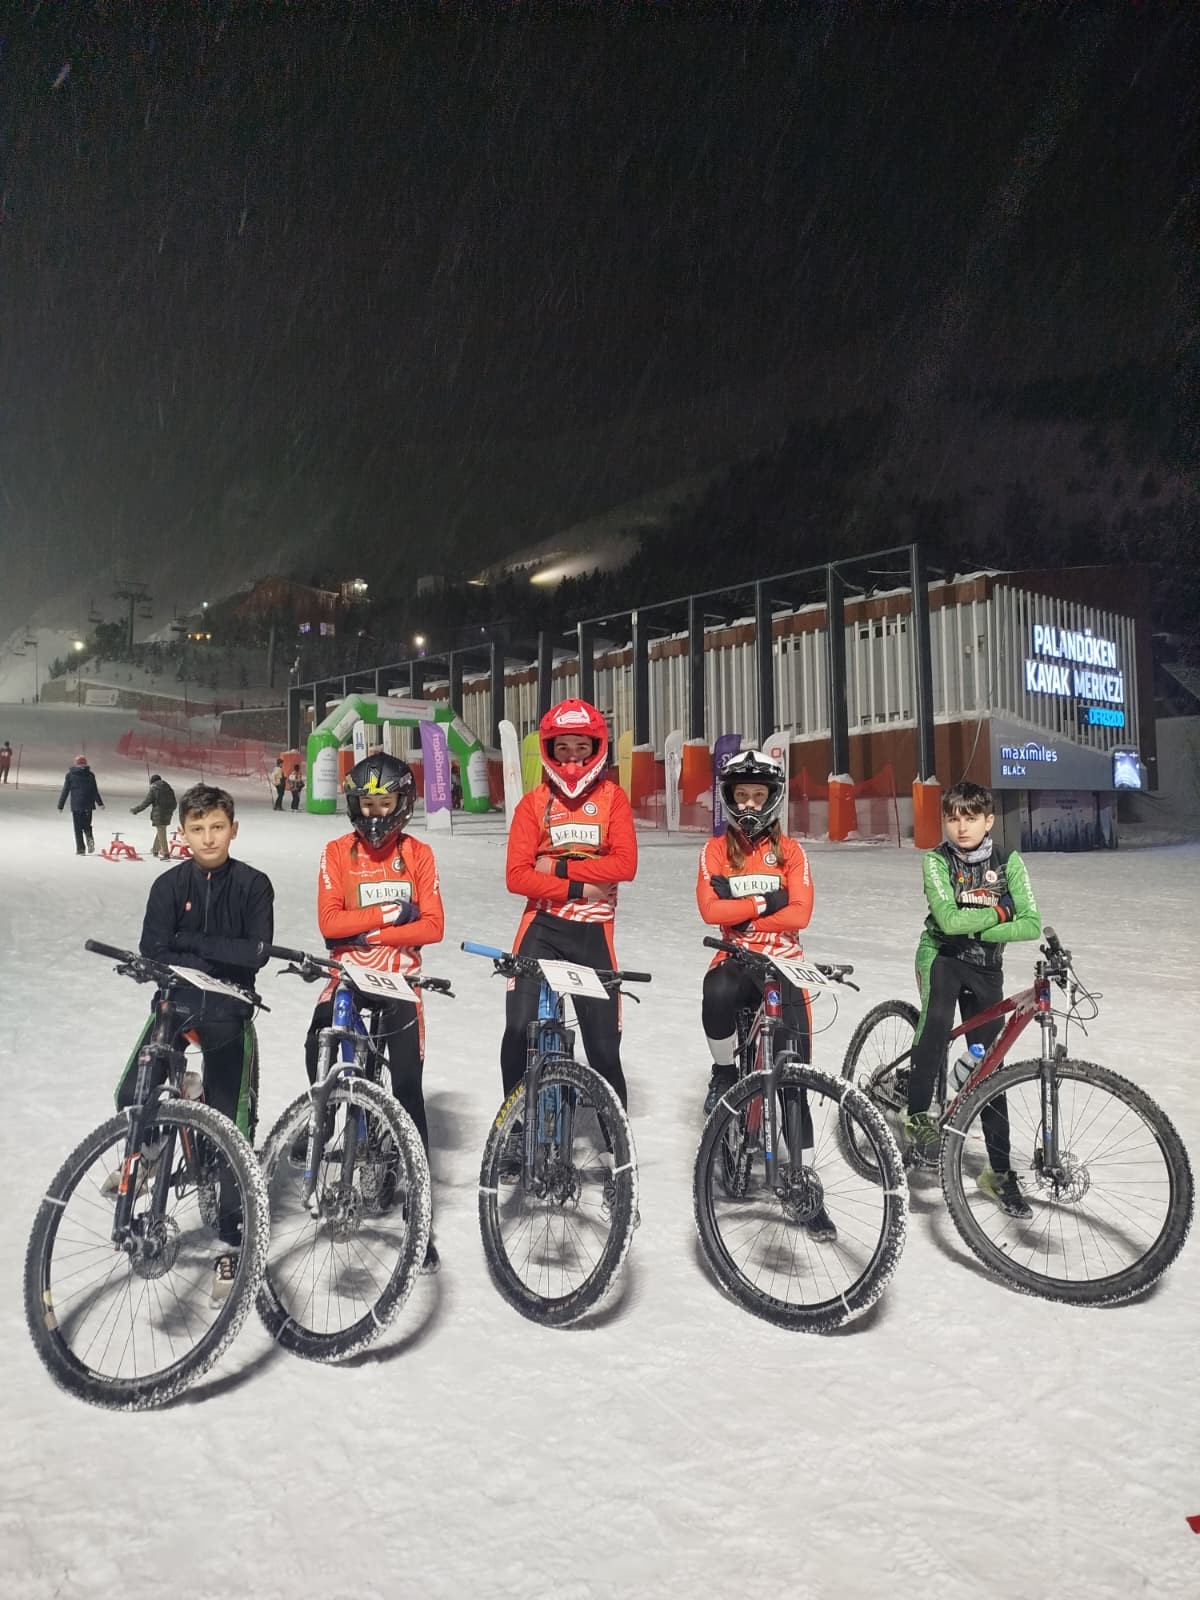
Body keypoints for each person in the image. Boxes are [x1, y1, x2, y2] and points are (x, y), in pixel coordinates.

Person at [113, 784, 274, 1302]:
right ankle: (154, 1150)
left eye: (217, 827)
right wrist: (210, 954)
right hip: (176, 1003)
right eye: (198, 829)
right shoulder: (167, 884)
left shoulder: (254, 885)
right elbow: (152, 950)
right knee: (130, 1094)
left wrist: (188, 944)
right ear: (183, 832)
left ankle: (232, 1235)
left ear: (233, 829)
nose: (208, 838)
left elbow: (255, 953)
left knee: (231, 1126)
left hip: (229, 1010)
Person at [310, 753, 445, 1272]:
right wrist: (393, 913)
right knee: (316, 1046)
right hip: (347, 975)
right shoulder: (335, 852)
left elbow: (432, 926)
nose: (374, 814)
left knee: (408, 1086)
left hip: (399, 980)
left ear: (402, 804)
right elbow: (329, 924)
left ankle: (419, 1211)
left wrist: (366, 930)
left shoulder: (419, 854)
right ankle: (331, 1121)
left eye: (384, 803)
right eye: (366, 804)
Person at [696, 749, 834, 1243]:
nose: (750, 804)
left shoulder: (791, 852)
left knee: (793, 1075)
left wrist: (743, 911)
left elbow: (801, 914)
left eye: (759, 795)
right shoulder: (715, 849)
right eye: (742, 795)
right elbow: (710, 911)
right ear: (730, 799)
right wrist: (768, 900)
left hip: (784, 962)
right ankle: (724, 1072)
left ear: (772, 798)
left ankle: (803, 1184)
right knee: (716, 990)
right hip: (735, 958)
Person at [902, 780, 1042, 1218]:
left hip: (985, 968)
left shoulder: (1008, 861)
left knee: (988, 1067)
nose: (961, 827)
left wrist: (977, 925)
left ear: (988, 821)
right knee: (937, 1020)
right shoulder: (936, 860)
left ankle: (998, 1172)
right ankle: (916, 1115)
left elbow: (1031, 923)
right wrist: (1000, 911)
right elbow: (946, 921)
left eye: (971, 818)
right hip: (941, 956)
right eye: (952, 818)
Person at [500, 700, 638, 1139]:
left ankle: (618, 1154)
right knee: (517, 1031)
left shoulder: (613, 799)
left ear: (597, 749)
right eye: (563, 748)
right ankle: (515, 1134)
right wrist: (582, 886)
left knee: (604, 1051)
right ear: (549, 750)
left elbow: (625, 865)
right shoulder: (533, 804)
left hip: (593, 933)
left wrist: (556, 868)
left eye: (582, 747)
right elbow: (517, 876)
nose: (573, 759)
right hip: (541, 928)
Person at [57, 755, 104, 855]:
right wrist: (100, 803)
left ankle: (80, 849)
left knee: (78, 828)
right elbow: (94, 791)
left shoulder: (70, 775)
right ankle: (89, 837)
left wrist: (60, 805)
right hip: (88, 804)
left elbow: (65, 790)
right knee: (87, 825)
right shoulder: (90, 775)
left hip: (76, 805)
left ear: (75, 764)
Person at [130, 772, 177, 859]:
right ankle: (155, 850)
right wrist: (170, 811)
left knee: (161, 832)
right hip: (168, 814)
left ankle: (166, 853)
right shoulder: (169, 789)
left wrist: (136, 810)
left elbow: (146, 802)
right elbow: (174, 803)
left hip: (159, 814)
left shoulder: (154, 789)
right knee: (161, 831)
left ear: (153, 782)